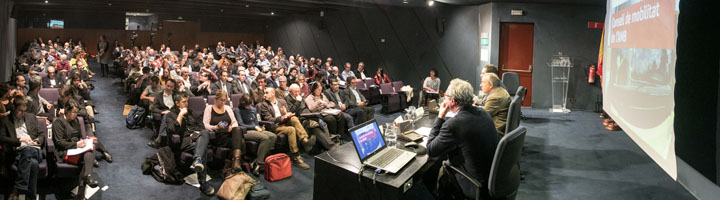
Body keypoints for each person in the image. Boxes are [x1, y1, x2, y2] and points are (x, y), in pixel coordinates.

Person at [426, 79, 498, 199]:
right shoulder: (483, 113)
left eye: (446, 97)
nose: (444, 99)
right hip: (491, 177)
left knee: (434, 170)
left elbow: (430, 150)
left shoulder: (454, 124)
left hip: (474, 184)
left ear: (452, 101)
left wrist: (440, 117)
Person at [53, 100, 113, 189]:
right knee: (88, 159)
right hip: (65, 151)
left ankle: (86, 179)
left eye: (76, 112)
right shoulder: (59, 122)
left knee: (90, 148)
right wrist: (76, 145)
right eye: (73, 112)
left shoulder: (76, 120)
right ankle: (86, 180)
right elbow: (59, 143)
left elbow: (80, 136)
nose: (75, 114)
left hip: (77, 149)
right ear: (67, 110)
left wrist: (84, 141)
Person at [164, 94, 215, 196]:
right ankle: (203, 183)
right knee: (202, 148)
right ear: (177, 103)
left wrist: (196, 133)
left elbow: (202, 126)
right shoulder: (171, 115)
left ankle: (197, 160)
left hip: (197, 139)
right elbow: (172, 130)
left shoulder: (191, 112)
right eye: (184, 102)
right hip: (184, 142)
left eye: (187, 101)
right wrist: (181, 115)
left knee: (204, 134)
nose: (186, 104)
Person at [257, 87, 312, 170]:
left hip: (284, 121)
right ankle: (296, 156)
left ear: (273, 94)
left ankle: (304, 139)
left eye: (267, 93)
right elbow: (269, 119)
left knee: (294, 119)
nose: (264, 95)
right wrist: (282, 117)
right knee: (291, 129)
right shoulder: (263, 105)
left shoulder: (281, 101)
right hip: (275, 126)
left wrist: (286, 113)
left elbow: (288, 112)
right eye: (264, 93)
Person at [0, 98, 45, 200]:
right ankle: (31, 198)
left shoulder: (31, 117)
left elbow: (42, 134)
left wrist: (37, 140)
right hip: (17, 152)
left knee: (28, 150)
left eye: (24, 111)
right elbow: (1, 138)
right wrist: (19, 140)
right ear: (14, 108)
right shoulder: (6, 120)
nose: (22, 113)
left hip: (34, 149)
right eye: (20, 110)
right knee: (33, 164)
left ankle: (18, 189)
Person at [202, 89, 245, 173]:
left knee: (237, 129)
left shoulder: (228, 108)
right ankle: (233, 163)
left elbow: (235, 122)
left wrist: (231, 127)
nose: (223, 102)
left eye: (225, 100)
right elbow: (205, 125)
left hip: (229, 134)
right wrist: (216, 127)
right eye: (221, 100)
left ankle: (234, 162)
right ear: (216, 99)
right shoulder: (209, 108)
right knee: (241, 142)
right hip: (217, 136)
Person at [234, 94, 277, 176]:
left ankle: (255, 161)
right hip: (245, 132)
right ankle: (259, 164)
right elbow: (241, 124)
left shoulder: (253, 109)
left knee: (273, 136)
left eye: (250, 104)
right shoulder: (237, 110)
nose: (249, 107)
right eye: (247, 105)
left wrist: (261, 128)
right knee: (265, 138)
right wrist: (255, 127)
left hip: (255, 130)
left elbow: (256, 123)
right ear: (243, 104)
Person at [285, 84, 338, 151]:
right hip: (300, 118)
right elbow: (291, 111)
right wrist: (298, 101)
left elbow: (307, 108)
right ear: (290, 91)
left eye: (299, 91)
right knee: (316, 128)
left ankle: (325, 146)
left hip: (309, 115)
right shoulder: (288, 99)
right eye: (295, 91)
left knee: (323, 123)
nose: (298, 93)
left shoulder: (300, 97)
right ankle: (331, 147)